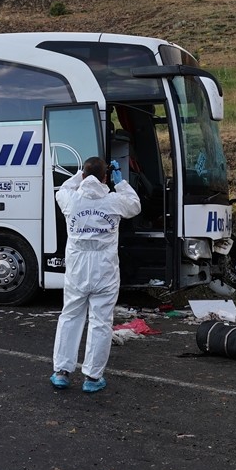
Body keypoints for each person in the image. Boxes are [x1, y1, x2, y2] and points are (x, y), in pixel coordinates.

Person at [51, 157, 141, 393]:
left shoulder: (71, 200)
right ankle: (92, 377)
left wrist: (80, 174)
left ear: (83, 176)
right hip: (105, 269)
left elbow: (64, 188)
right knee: (101, 322)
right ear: (105, 177)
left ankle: (61, 371)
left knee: (70, 316)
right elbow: (135, 204)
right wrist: (120, 183)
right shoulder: (113, 201)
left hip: (78, 268)